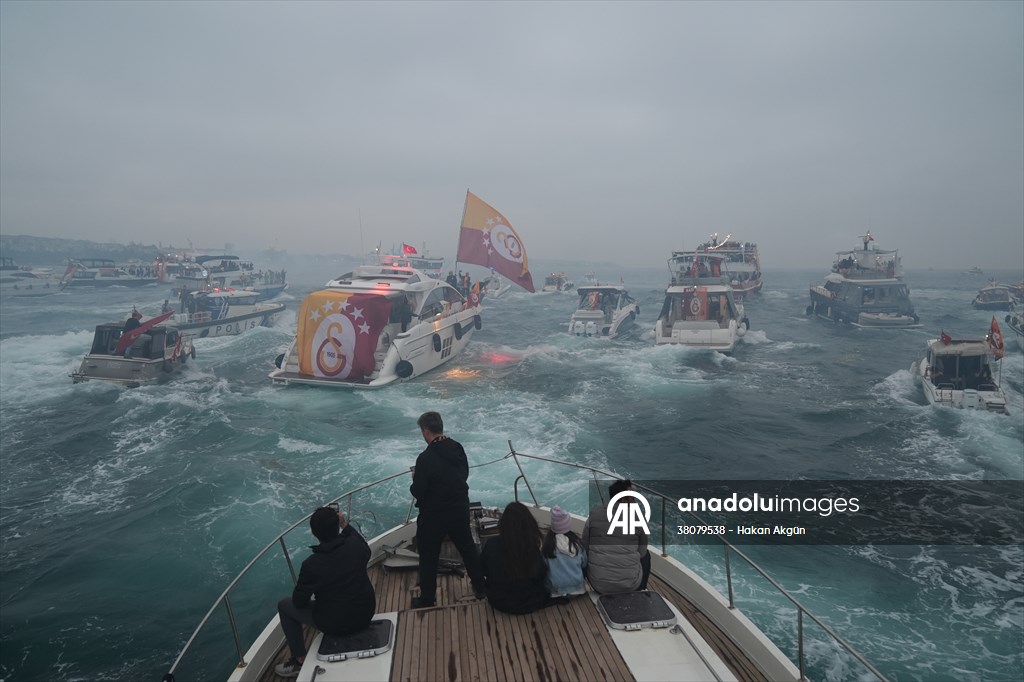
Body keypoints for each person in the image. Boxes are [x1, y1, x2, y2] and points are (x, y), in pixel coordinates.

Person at [274, 506, 376, 678]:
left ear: (314, 532)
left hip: (334, 624)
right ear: (338, 525)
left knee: (284, 605)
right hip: (366, 613)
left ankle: (299, 660)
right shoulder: (355, 545)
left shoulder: (311, 564)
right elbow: (361, 544)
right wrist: (346, 525)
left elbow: (299, 602)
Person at [409, 411, 484, 608]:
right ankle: (480, 587)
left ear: (426, 432)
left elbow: (418, 490)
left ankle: (428, 598)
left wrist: (415, 478)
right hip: (459, 508)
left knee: (429, 554)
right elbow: (463, 474)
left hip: (434, 514)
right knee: (467, 548)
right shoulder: (457, 448)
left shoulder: (425, 458)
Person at [480, 502, 552, 613]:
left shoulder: (491, 544)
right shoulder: (531, 547)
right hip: (529, 601)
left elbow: (483, 570)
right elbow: (541, 575)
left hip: (498, 601)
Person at [581, 479, 650, 593]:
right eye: (632, 498)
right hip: (630, 586)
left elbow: (585, 546)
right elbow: (642, 551)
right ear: (624, 500)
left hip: (598, 585)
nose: (635, 501)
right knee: (646, 555)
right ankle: (642, 589)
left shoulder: (594, 514)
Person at [542, 506, 588, 598]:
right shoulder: (578, 545)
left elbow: (543, 567)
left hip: (555, 591)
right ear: (568, 525)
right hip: (577, 588)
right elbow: (584, 564)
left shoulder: (547, 547)